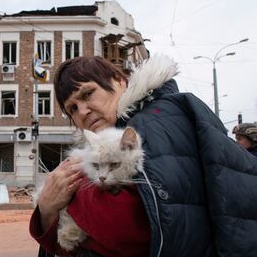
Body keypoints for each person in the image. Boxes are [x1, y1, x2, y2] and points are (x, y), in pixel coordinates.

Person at [30, 55, 257, 257]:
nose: (82, 111)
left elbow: (127, 227)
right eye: (72, 109)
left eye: (88, 94)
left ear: (119, 81)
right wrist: (48, 212)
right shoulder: (115, 134)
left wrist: (49, 206)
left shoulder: (156, 118)